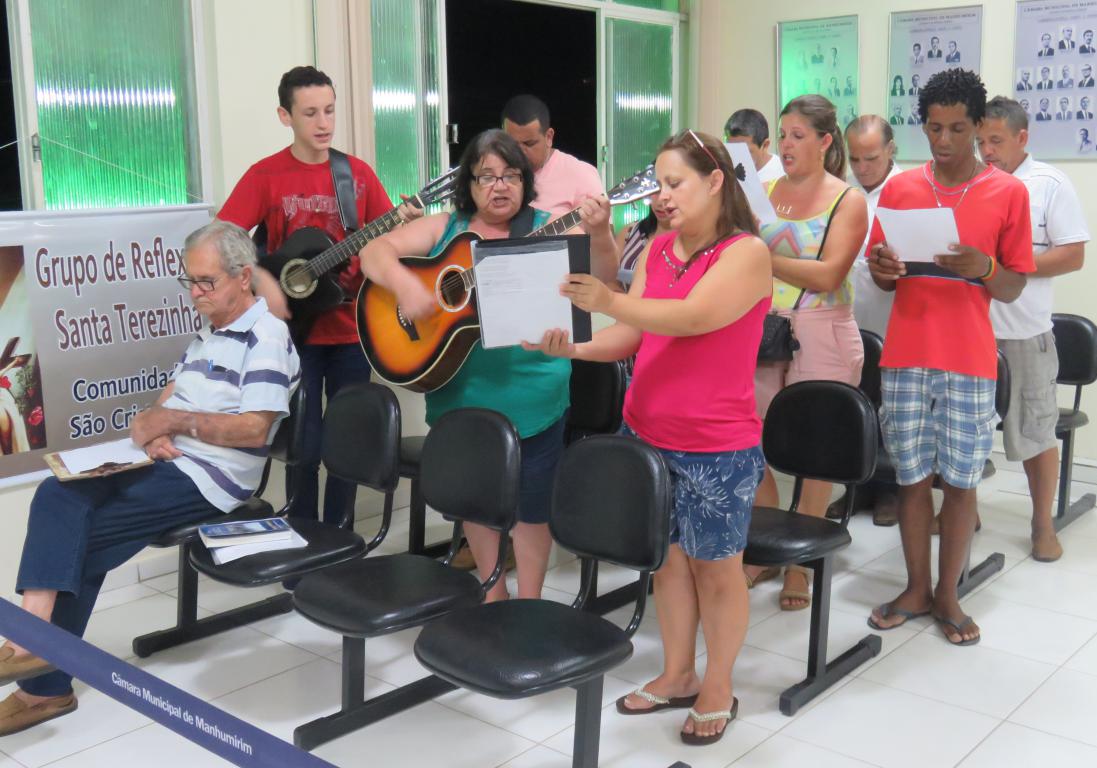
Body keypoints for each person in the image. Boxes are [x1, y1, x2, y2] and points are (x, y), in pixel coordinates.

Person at [0, 221, 300, 735]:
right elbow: (161, 404)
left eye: (207, 282)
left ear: (243, 277)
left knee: (80, 540)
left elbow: (255, 430)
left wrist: (174, 424)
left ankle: (38, 671)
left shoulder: (266, 337)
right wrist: (148, 428)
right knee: (57, 492)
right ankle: (37, 649)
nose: (196, 294)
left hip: (212, 477)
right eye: (190, 283)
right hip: (169, 459)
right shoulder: (208, 335)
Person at [530, 129, 771, 747]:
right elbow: (636, 335)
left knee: (718, 571)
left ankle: (718, 685)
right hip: (648, 434)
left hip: (716, 444)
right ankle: (678, 673)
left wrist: (610, 297)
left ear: (716, 180)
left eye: (675, 183)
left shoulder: (745, 253)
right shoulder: (661, 249)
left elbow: (692, 319)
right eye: (658, 184)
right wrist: (576, 347)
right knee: (667, 565)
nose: (661, 197)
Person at [359, 129, 610, 602]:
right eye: (487, 176)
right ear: (469, 185)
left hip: (536, 393)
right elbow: (373, 251)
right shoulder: (446, 228)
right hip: (462, 393)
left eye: (511, 175)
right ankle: (493, 592)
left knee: (533, 507)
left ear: (526, 180)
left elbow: (608, 275)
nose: (500, 186)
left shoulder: (552, 223)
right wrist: (407, 286)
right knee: (476, 498)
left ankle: (531, 600)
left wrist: (599, 231)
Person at [866, 69, 1033, 647]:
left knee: (960, 483)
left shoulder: (1007, 192)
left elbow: (1012, 287)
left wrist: (983, 269)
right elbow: (884, 272)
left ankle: (948, 594)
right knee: (911, 478)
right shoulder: (901, 189)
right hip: (907, 354)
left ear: (979, 126)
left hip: (968, 359)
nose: (943, 140)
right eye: (934, 128)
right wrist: (885, 271)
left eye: (958, 128)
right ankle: (916, 588)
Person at [218, 66, 411, 526]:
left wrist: (403, 230)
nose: (323, 123)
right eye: (310, 113)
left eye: (329, 110)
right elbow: (220, 241)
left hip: (350, 330)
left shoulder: (356, 175)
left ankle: (339, 535)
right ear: (285, 115)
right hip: (290, 332)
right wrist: (262, 282)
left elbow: (388, 243)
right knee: (302, 440)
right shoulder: (265, 175)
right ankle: (300, 535)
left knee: (346, 439)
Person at [748, 95, 868, 609]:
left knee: (815, 452)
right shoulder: (763, 192)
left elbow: (829, 274)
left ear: (825, 141)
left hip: (823, 331)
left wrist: (762, 257)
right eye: (783, 134)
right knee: (750, 438)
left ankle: (801, 561)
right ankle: (767, 548)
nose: (788, 145)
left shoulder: (848, 200)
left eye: (800, 135)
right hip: (763, 330)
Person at [977, 96, 1089, 562]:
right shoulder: (973, 184)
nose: (987, 151)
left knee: (1034, 433)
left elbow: (1072, 253)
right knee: (968, 432)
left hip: (1024, 333)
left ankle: (1042, 525)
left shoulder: (1047, 184)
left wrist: (1009, 267)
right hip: (974, 333)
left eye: (996, 141)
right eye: (981, 141)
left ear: (1023, 138)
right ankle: (967, 513)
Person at [841, 115, 904, 526]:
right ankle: (854, 487)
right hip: (848, 320)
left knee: (890, 409)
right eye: (855, 159)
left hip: (894, 321)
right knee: (853, 405)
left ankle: (890, 491)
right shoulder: (843, 192)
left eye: (871, 158)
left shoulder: (909, 191)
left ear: (891, 150)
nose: (863, 167)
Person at [614, 195, 672, 293]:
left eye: (673, 185)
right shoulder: (630, 232)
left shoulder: (693, 241)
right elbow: (611, 280)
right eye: (655, 191)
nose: (660, 201)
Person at [724, 108, 784, 183]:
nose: (736, 157)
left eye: (744, 152)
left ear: (765, 145)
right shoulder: (725, 172)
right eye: (732, 150)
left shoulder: (782, 175)